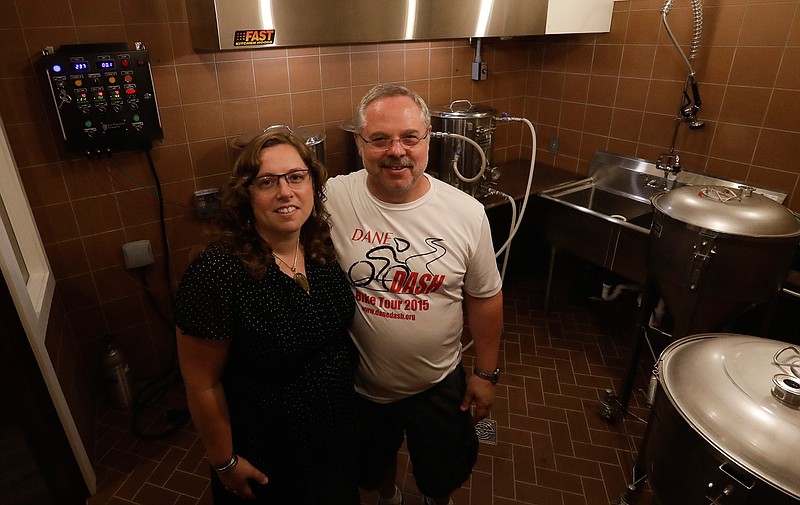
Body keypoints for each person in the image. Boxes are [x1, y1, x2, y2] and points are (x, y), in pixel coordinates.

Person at [326, 84, 504, 505]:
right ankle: (389, 499)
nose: (396, 151)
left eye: (409, 137)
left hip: (438, 383)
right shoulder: (333, 197)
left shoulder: (466, 213)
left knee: (442, 473)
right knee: (370, 469)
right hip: (361, 385)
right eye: (380, 139)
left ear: (428, 139)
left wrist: (485, 374)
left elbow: (485, 297)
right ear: (359, 142)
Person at [174, 131, 359, 504]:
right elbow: (202, 384)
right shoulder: (218, 271)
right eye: (267, 182)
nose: (285, 192)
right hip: (270, 448)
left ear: (312, 184)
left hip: (333, 435)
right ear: (247, 194)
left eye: (296, 176)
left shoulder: (320, 247)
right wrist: (224, 461)